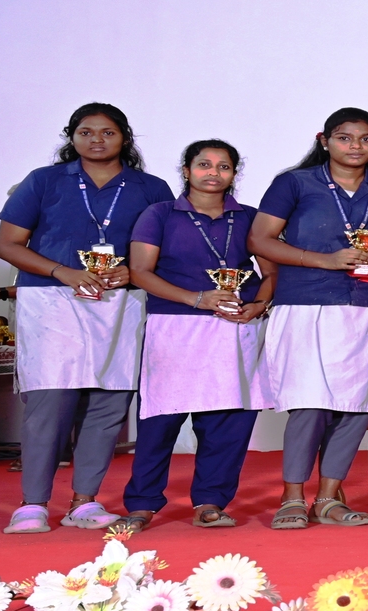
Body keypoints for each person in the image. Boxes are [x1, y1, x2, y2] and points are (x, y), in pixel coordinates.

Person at [0, 103, 174, 534]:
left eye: (107, 132)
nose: (97, 140)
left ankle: (84, 502)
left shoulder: (151, 187)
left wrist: (132, 272)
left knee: (108, 402)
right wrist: (63, 271)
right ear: (72, 136)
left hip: (120, 303)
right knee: (49, 402)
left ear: (125, 138)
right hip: (53, 300)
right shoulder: (44, 180)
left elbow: (166, 247)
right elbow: (8, 244)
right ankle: (33, 503)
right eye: (86, 132)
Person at [110, 140, 274, 532]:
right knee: (160, 421)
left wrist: (259, 304)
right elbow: (140, 272)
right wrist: (197, 298)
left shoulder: (250, 217)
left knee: (228, 420)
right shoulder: (160, 214)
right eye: (204, 164)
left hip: (234, 328)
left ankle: (210, 501)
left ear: (234, 174)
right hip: (175, 327)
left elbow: (271, 272)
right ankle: (143, 503)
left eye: (223, 166)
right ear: (186, 170)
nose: (213, 173)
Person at [249, 108, 368, 529]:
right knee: (308, 403)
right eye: (344, 138)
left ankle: (329, 498)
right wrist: (325, 260)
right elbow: (259, 240)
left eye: (365, 139)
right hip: (305, 304)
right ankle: (292, 497)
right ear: (324, 140)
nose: (355, 146)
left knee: (358, 404)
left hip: (366, 306)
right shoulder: (295, 183)